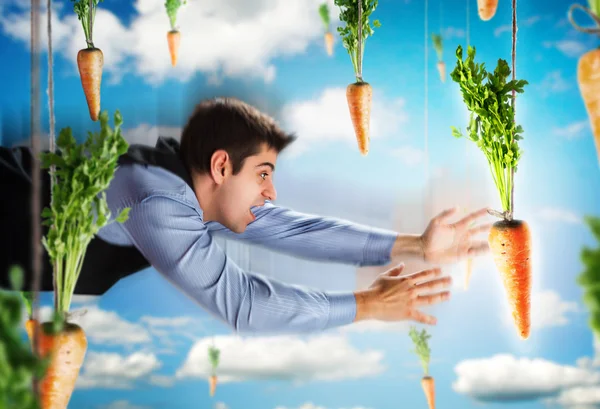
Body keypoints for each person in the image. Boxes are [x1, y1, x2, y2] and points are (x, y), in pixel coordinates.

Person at [0, 97, 491, 335]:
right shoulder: (158, 202)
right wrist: (367, 305)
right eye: (263, 174)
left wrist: (416, 246)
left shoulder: (193, 191)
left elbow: (298, 230)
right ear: (220, 166)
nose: (271, 191)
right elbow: (245, 306)